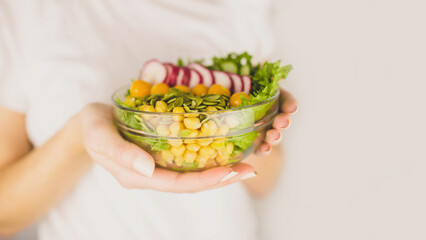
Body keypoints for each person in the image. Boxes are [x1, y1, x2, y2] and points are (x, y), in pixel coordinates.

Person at [0, 1, 297, 239]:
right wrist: (80, 138)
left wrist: (247, 123)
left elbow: (266, 180)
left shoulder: (242, 6)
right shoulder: (25, 9)